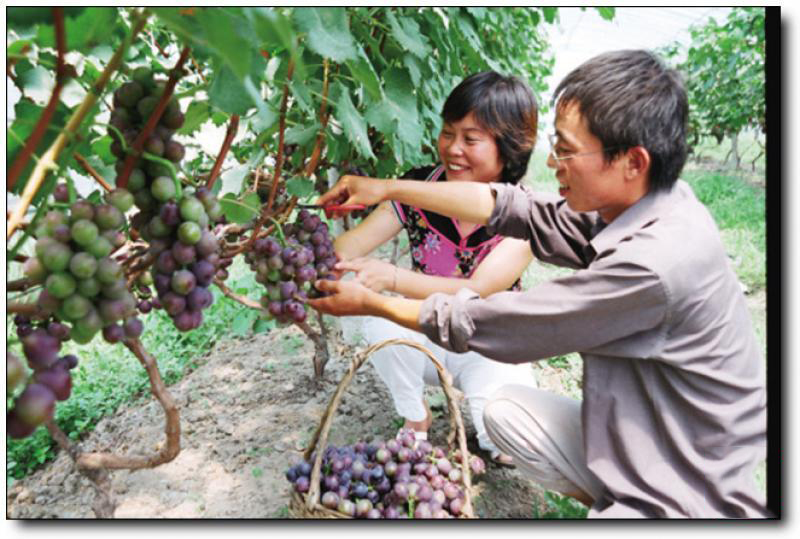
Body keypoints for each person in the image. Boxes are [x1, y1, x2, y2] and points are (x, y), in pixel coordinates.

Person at [310, 50, 769, 518]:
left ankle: (646, 510)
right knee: (509, 414)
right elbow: (518, 208)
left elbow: (504, 320)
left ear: (633, 161)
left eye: (568, 150)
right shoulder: (648, 204)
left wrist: (373, 300)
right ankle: (616, 493)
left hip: (690, 472)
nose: (553, 161)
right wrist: (388, 188)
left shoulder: (653, 266)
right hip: (645, 432)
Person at [333, 71, 539, 465]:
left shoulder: (525, 212)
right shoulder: (419, 187)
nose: (453, 149)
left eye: (471, 139)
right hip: (424, 327)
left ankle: (491, 421)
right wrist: (321, 254)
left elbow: (477, 289)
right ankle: (416, 418)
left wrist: (391, 278)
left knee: (507, 446)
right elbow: (350, 245)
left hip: (489, 344)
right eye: (448, 133)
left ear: (509, 149)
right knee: (373, 321)